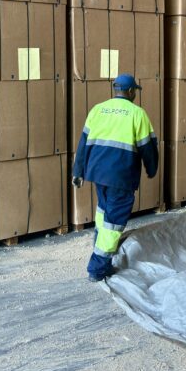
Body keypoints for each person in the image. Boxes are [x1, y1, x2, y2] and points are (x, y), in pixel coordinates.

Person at [72, 73, 159, 281]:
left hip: (98, 173)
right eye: (134, 91)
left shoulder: (98, 109)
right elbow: (148, 147)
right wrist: (151, 168)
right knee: (114, 222)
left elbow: (83, 143)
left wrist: (78, 171)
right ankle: (98, 268)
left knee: (103, 211)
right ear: (130, 91)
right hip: (121, 176)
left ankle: (99, 245)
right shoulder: (137, 114)